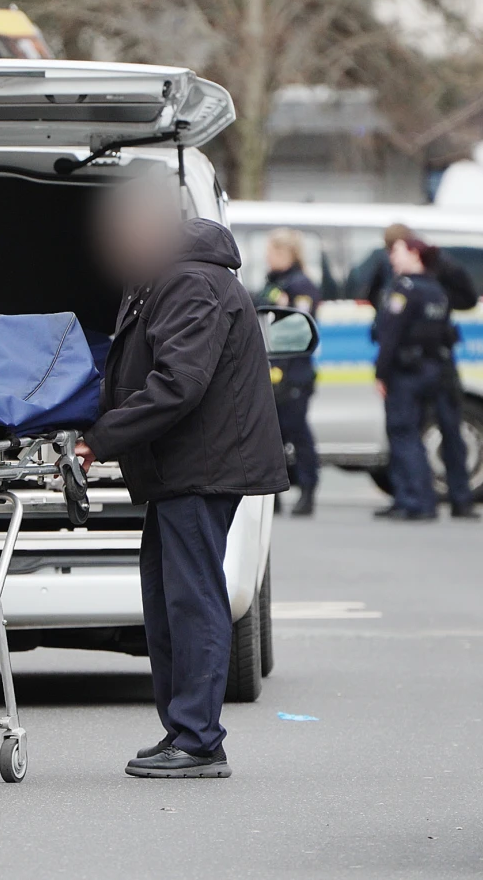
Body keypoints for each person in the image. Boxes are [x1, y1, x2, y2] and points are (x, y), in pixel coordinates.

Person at [75, 179, 288, 779]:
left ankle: (198, 741)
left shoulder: (190, 280)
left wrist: (100, 437)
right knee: (168, 602)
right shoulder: (160, 277)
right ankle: (183, 730)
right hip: (179, 469)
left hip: (202, 467)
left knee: (192, 603)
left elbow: (179, 383)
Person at [368, 224, 480, 519]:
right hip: (434, 366)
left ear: (413, 252)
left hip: (417, 370)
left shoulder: (411, 286)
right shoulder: (434, 287)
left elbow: (390, 333)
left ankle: (418, 500)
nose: (391, 257)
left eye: (396, 251)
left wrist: (380, 373)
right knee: (421, 432)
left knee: (407, 431)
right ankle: (420, 498)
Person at [257, 228, 321, 517]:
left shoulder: (301, 285)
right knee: (273, 437)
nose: (267, 257)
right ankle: (275, 494)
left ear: (286, 254)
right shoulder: (274, 284)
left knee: (298, 433)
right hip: (271, 371)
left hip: (294, 374)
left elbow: (295, 328)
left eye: (271, 252)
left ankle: (307, 490)